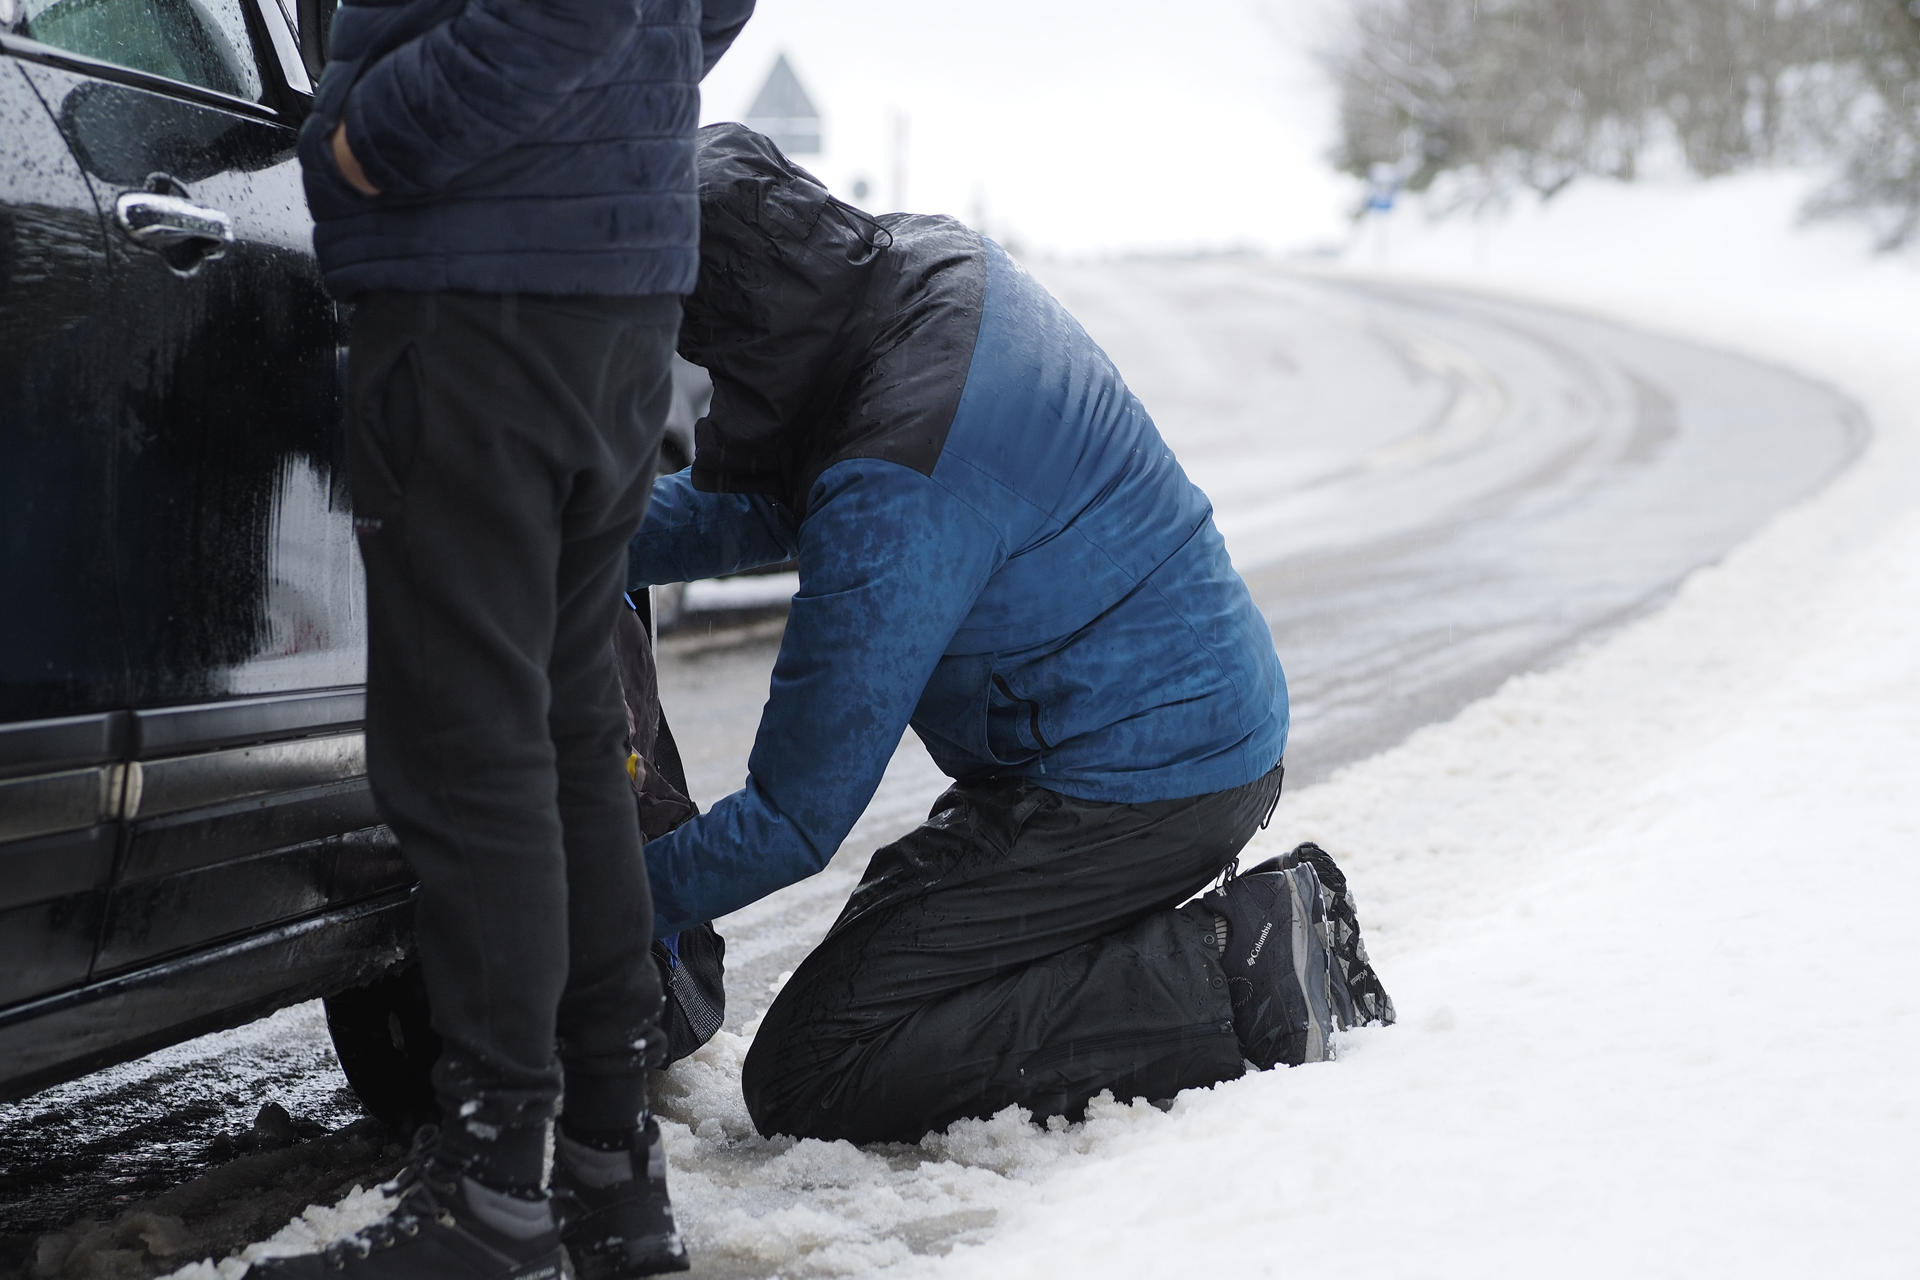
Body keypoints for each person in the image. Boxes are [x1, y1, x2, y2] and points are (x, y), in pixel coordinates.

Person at [628, 124, 1395, 1146]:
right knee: (908, 938)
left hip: (1141, 782)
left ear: (739, 325)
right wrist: (569, 543)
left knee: (816, 1067)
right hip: (1169, 726)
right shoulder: (910, 272)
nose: (700, 377)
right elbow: (777, 494)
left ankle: (1245, 966)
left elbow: (790, 817)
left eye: (701, 348)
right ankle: (1164, 946)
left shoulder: (896, 478)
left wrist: (599, 902)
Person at [258, 3, 753, 1278]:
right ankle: (604, 1172)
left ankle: (494, 1200)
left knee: (470, 748)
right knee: (567, 732)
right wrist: (612, 119)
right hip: (610, 284)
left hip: (475, 281)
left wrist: (373, 139)